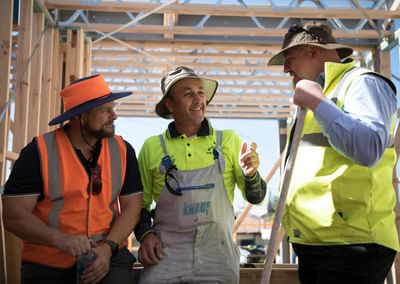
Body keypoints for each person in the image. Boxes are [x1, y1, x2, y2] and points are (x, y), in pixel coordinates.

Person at [268, 21, 400, 284]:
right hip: (318, 242)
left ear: (313, 52)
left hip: (352, 243)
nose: (285, 68)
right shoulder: (320, 96)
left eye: (289, 58)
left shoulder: (363, 83)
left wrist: (319, 103)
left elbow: (368, 148)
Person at [2, 74, 143, 284]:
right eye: (105, 110)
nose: (114, 116)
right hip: (48, 261)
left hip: (109, 255)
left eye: (113, 108)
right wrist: (59, 239)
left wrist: (108, 247)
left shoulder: (123, 150)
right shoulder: (38, 152)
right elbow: (13, 215)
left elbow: (133, 207)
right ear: (81, 116)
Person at [133, 66, 267, 283]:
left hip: (217, 257)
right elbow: (139, 204)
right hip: (166, 257)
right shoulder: (152, 147)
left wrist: (251, 175)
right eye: (187, 94)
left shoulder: (229, 141)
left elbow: (256, 197)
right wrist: (145, 235)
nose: (198, 99)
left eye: (201, 92)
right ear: (169, 104)